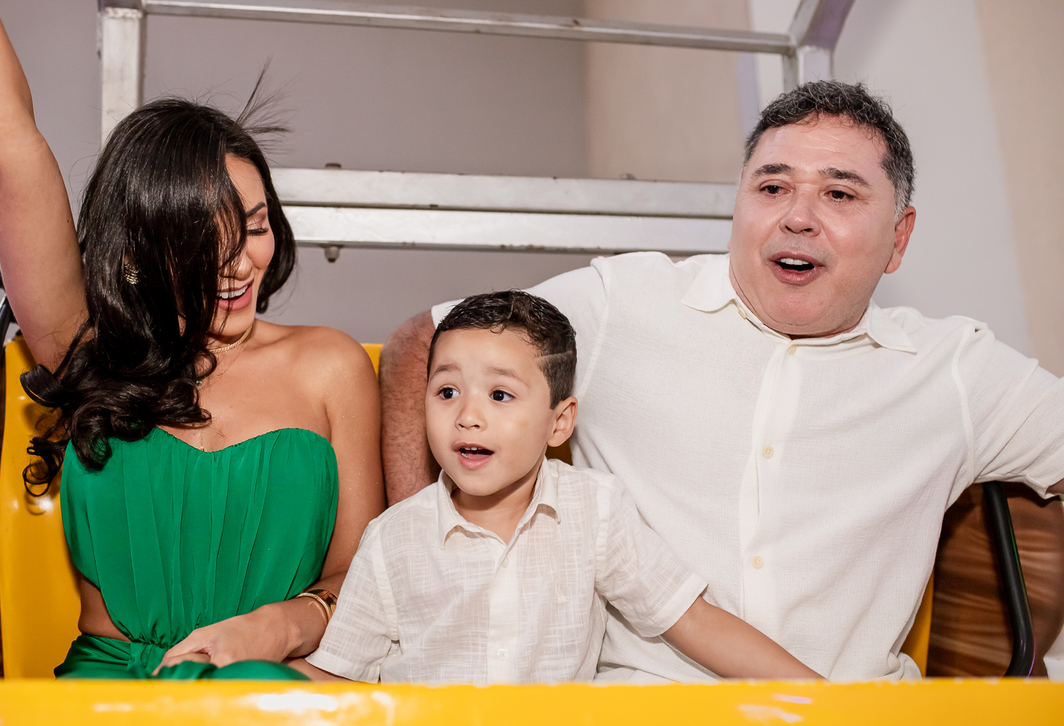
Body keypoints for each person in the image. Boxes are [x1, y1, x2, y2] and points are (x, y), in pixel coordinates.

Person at [379, 82, 1064, 683]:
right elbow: (421, 342)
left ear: (899, 237)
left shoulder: (955, 370)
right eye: (772, 187)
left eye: (838, 193)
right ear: (738, 205)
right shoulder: (623, 303)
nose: (798, 216)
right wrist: (427, 555)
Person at [0, 0, 385, 679]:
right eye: (201, 242)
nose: (239, 264)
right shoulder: (89, 350)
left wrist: (277, 628)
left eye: (256, 227)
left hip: (271, 685)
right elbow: (6, 149)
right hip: (108, 694)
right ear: (140, 251)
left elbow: (364, 578)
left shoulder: (331, 367)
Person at [295, 291, 820, 684]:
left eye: (500, 395)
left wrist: (830, 701)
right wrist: (259, 679)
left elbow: (694, 620)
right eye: (447, 391)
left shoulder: (595, 510)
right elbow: (340, 676)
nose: (468, 416)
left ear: (559, 422)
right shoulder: (391, 538)